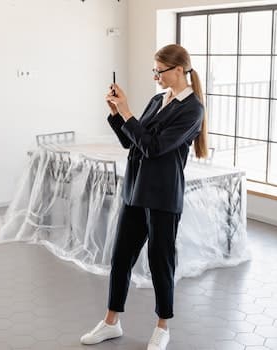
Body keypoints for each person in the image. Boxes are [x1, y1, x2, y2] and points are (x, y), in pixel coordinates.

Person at [79, 43, 208, 350]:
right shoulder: (157, 100)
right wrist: (116, 114)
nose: (156, 76)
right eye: (154, 70)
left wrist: (127, 111)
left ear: (179, 70)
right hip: (135, 191)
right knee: (120, 257)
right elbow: (132, 143)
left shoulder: (192, 109)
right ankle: (111, 322)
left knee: (159, 262)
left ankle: (163, 326)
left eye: (159, 71)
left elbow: (153, 147)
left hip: (162, 196)